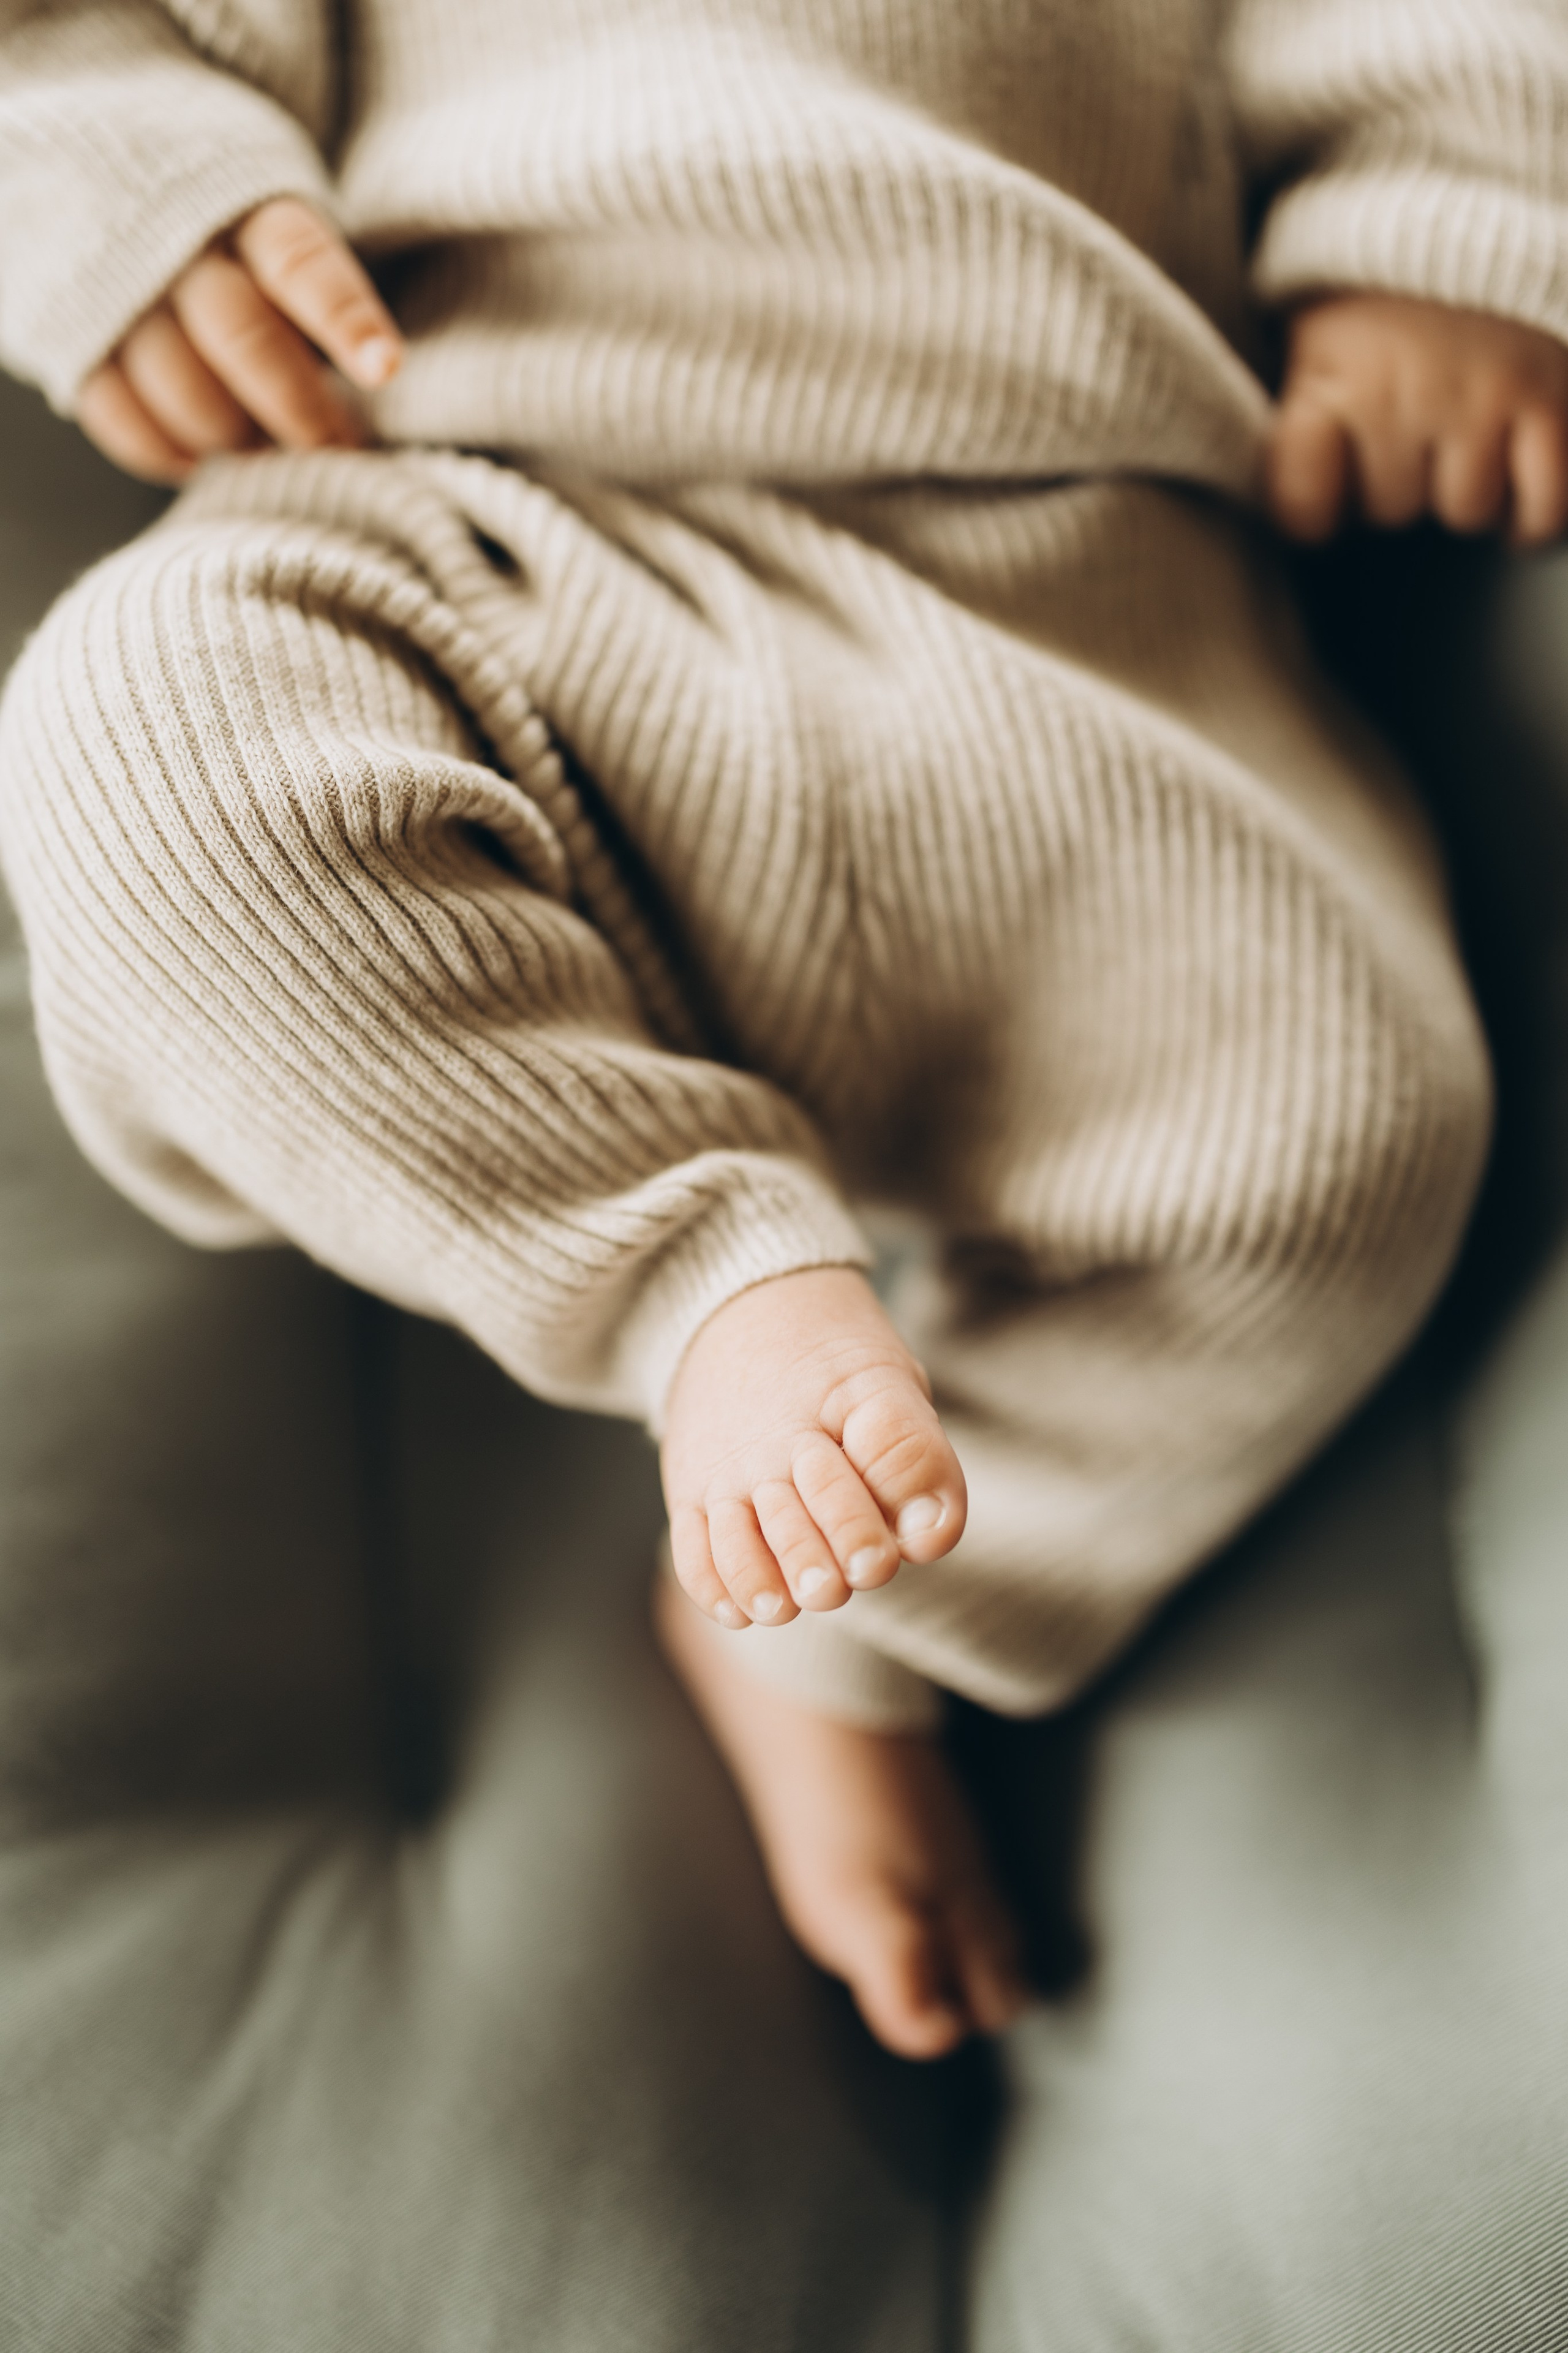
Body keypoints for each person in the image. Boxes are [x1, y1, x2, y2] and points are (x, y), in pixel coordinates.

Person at [0, 0, 1562, 2061]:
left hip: (1078, 635)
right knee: (143, 729)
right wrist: (123, 191)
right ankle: (700, 1281)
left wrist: (1458, 218)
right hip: (495, 536)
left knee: (1347, 1123)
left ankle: (848, 1615)